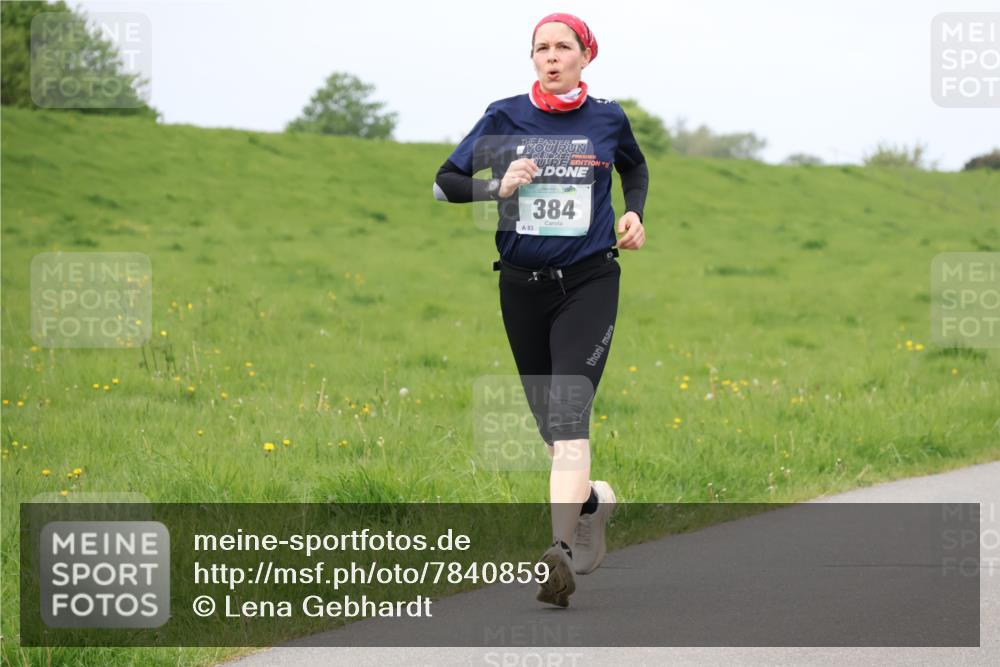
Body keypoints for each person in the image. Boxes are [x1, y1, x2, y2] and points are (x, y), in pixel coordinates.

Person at [432, 12, 649, 607]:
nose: (550, 57)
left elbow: (634, 164)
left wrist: (635, 213)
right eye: (540, 49)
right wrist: (494, 189)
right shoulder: (505, 116)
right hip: (521, 286)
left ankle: (558, 553)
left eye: (562, 47)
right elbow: (443, 182)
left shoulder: (608, 117)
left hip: (589, 281)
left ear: (586, 55)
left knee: (569, 418)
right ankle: (592, 506)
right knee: (552, 435)